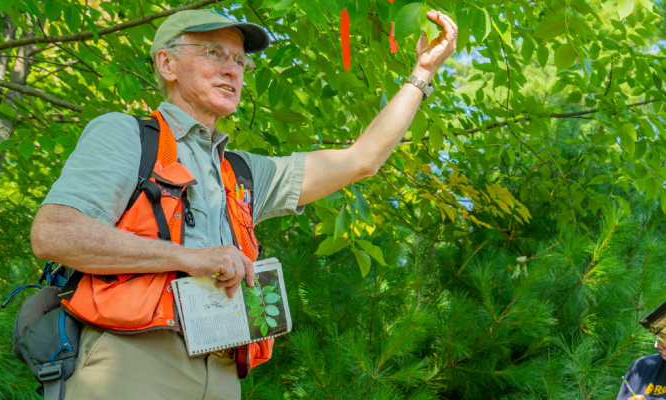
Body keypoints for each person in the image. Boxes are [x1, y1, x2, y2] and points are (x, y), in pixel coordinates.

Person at [27, 8, 458, 399]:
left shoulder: (242, 172)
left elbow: (361, 160)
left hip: (224, 373)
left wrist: (421, 74)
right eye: (215, 53)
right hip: (133, 362)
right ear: (167, 63)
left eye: (240, 61)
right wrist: (189, 257)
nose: (232, 70)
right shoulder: (126, 135)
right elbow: (54, 234)